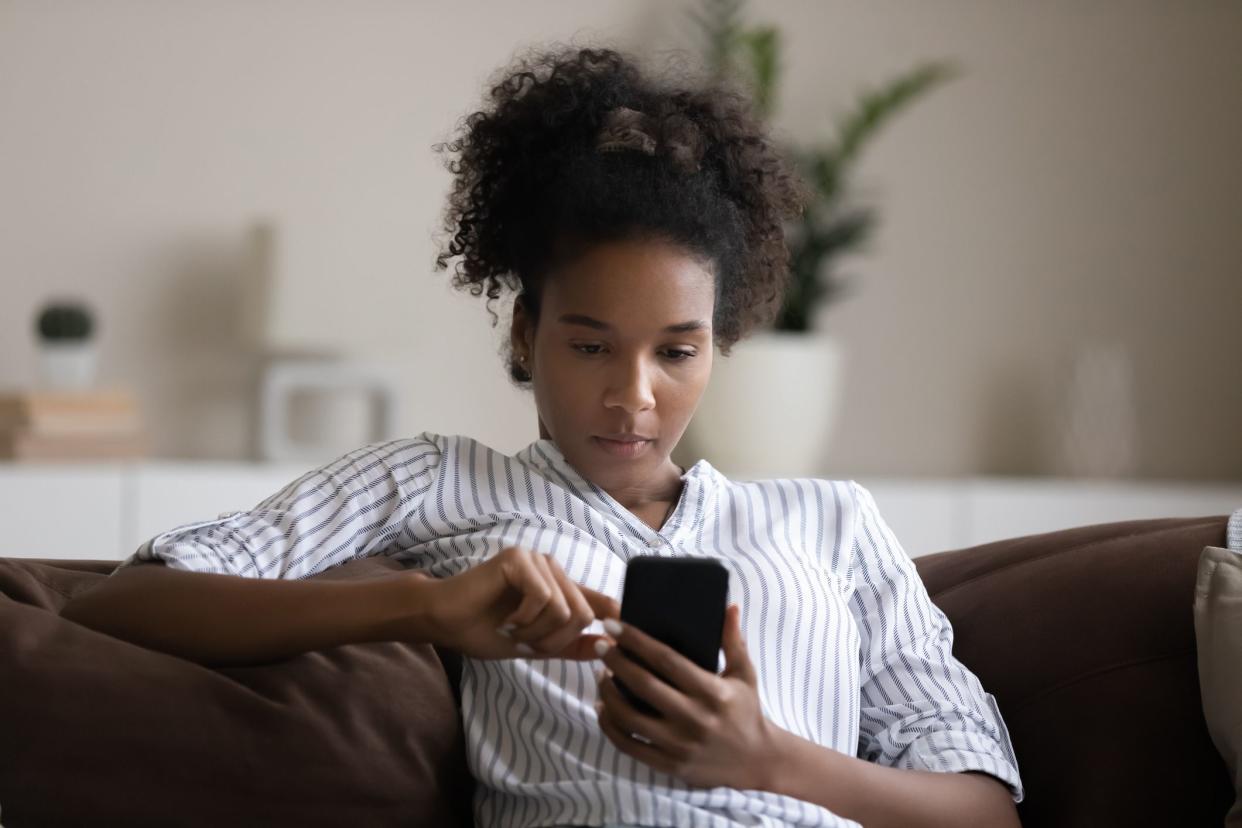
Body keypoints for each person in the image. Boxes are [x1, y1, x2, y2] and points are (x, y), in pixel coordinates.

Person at [61, 46, 1024, 828]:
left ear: (717, 348)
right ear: (526, 335)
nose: (632, 397)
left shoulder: (833, 523)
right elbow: (128, 607)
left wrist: (767, 757)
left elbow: (984, 811)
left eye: (677, 352)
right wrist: (421, 610)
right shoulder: (439, 482)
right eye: (589, 345)